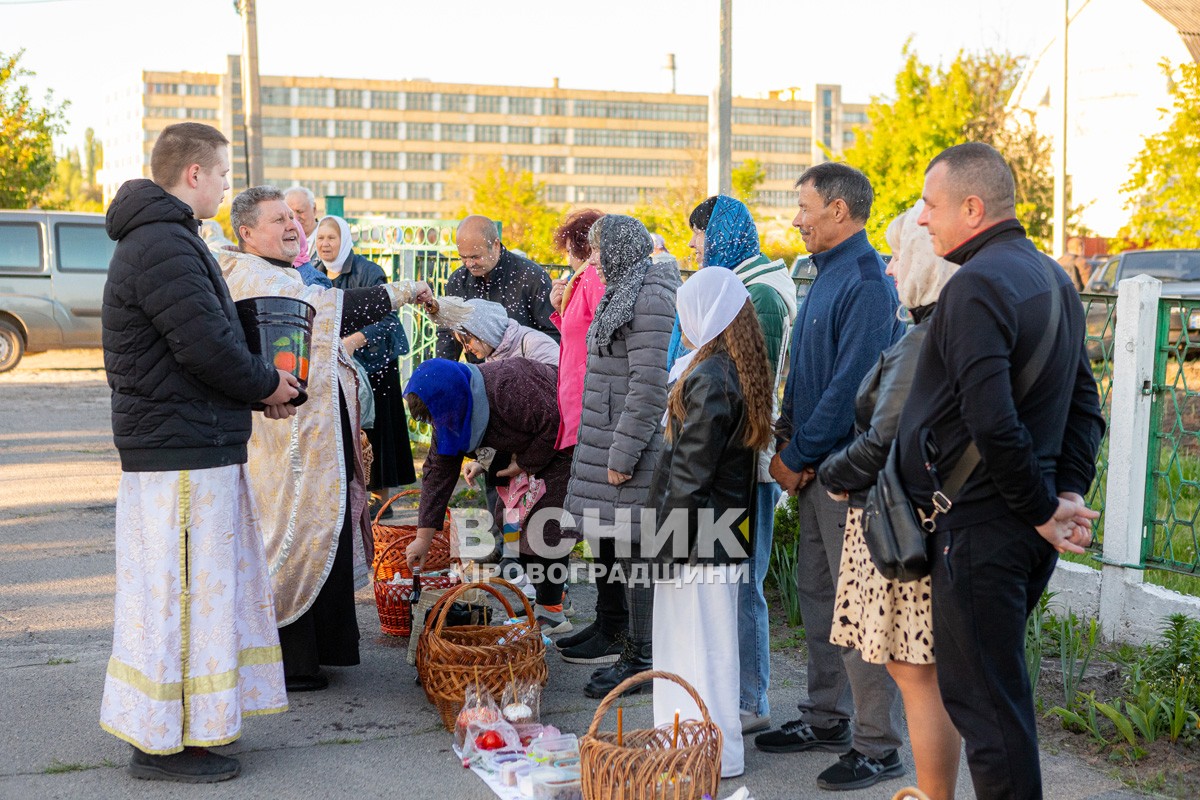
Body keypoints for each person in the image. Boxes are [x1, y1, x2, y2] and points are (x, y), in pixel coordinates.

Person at [894, 142, 1104, 800]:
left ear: (973, 207)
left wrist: (1047, 508)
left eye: (932, 205)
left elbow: (993, 420)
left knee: (987, 715)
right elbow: (1085, 405)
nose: (924, 221)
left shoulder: (979, 284)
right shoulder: (1049, 275)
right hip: (1017, 524)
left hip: (984, 529)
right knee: (998, 707)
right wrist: (1064, 493)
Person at [99, 122, 299, 783]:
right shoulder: (165, 244)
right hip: (181, 454)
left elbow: (205, 338)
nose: (222, 185)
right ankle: (169, 743)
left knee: (183, 593)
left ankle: (182, 729)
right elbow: (204, 347)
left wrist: (259, 383)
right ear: (192, 174)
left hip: (184, 444)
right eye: (219, 174)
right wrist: (267, 383)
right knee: (185, 595)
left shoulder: (166, 240)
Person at [218, 186, 432, 691]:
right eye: (278, 220)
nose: (293, 227)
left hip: (310, 440)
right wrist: (402, 292)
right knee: (296, 537)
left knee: (323, 532)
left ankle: (319, 649)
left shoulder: (275, 270)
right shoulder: (253, 274)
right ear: (247, 233)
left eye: (294, 218)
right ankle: (293, 659)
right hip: (287, 446)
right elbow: (328, 306)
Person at [760, 162, 907, 792]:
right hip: (816, 470)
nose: (797, 219)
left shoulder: (868, 282)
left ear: (840, 212)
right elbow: (806, 374)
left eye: (805, 207)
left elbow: (853, 388)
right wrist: (788, 435)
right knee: (820, 601)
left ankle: (878, 746)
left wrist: (798, 455)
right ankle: (825, 719)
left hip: (848, 478)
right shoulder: (822, 275)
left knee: (860, 615)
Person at [817, 202, 961, 800]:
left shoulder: (925, 337)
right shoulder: (947, 328)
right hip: (926, 513)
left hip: (903, 520)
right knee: (921, 671)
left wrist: (830, 471)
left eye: (900, 256)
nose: (891, 269)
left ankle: (931, 792)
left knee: (914, 671)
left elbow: (882, 438)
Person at [649, 266, 774, 779]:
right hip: (717, 535)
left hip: (699, 538)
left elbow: (689, 474)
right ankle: (708, 752)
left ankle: (700, 754)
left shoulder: (708, 377)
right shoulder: (729, 368)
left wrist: (664, 547)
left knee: (692, 649)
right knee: (712, 650)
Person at [687, 194, 797, 734]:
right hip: (735, 462)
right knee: (732, 581)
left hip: (748, 466)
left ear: (721, 236)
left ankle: (752, 700)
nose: (692, 247)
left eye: (698, 237)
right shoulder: (750, 284)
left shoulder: (760, 295)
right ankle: (734, 690)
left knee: (746, 582)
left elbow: (755, 390)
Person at [563, 214, 679, 698]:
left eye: (596, 249)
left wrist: (624, 453)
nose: (593, 259)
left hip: (627, 448)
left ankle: (643, 656)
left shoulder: (649, 294)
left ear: (619, 248)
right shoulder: (625, 286)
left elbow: (648, 385)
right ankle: (624, 639)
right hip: (605, 437)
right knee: (617, 550)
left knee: (637, 559)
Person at [404, 358, 575, 632]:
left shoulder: (508, 387)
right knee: (512, 526)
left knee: (545, 527)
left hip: (559, 445)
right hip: (522, 454)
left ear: (457, 399)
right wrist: (422, 539)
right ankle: (552, 598)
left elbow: (555, 420)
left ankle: (553, 613)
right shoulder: (448, 409)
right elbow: (438, 472)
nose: (440, 425)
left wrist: (524, 463)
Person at [313, 215, 417, 517]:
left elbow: (388, 320)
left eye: (331, 237)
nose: (325, 244)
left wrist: (354, 340)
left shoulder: (369, 272)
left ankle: (380, 500)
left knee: (378, 431)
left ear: (344, 239)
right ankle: (349, 495)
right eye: (320, 238)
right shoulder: (316, 276)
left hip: (375, 364)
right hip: (337, 366)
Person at [436, 215, 559, 363]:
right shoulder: (458, 281)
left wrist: (530, 371)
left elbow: (553, 334)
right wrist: (442, 372)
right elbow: (448, 337)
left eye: (475, 257)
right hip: (479, 377)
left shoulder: (530, 277)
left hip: (524, 376)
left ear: (495, 245)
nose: (469, 264)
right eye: (463, 257)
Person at [440, 297, 560, 365]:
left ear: (485, 330)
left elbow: (556, 385)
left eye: (467, 341)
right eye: (462, 344)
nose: (466, 349)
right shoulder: (492, 354)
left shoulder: (535, 343)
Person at [284, 185, 319, 258]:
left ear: (314, 209)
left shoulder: (326, 241)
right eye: (290, 214)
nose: (295, 218)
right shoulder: (281, 241)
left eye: (300, 211)